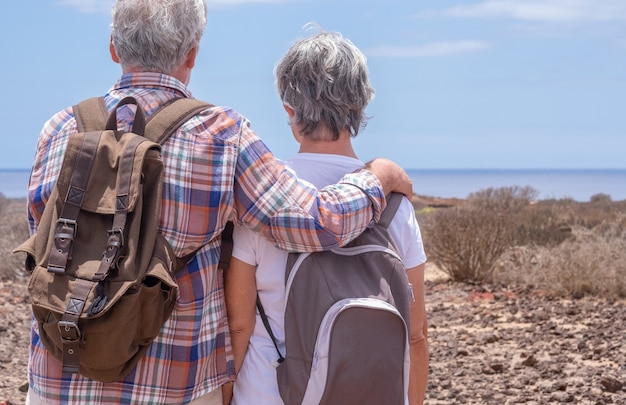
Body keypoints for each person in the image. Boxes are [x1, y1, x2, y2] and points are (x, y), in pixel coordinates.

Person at [23, 1, 413, 404]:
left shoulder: (59, 130)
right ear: (192, 52)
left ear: (113, 48)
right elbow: (317, 223)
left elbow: (44, 249)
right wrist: (378, 177)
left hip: (58, 374)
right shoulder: (220, 134)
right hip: (175, 385)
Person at [224, 28, 428, 405]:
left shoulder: (265, 201)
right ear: (361, 105)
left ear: (288, 108)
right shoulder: (396, 206)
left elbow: (239, 324)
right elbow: (415, 335)